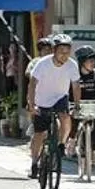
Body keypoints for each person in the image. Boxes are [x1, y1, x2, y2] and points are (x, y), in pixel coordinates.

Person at [24, 35, 78, 177]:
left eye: (67, 52)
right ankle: (35, 162)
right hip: (42, 100)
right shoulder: (42, 63)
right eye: (61, 51)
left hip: (60, 97)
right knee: (39, 134)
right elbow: (32, 84)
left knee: (65, 116)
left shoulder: (72, 65)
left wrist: (77, 104)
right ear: (54, 51)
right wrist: (31, 104)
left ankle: (61, 144)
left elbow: (76, 85)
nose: (64, 55)